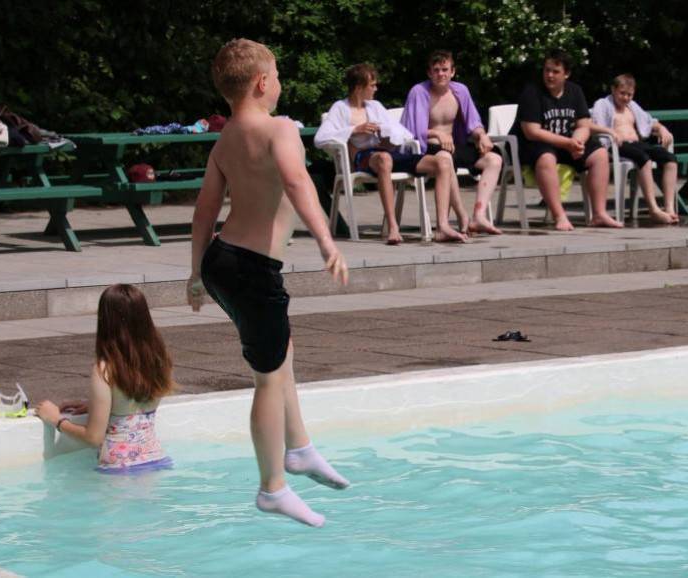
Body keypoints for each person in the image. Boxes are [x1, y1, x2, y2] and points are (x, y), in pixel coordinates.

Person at [186, 38, 351, 528]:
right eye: (276, 76)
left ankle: (299, 448)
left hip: (222, 261)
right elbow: (298, 183)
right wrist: (326, 241)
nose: (279, 84)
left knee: (281, 353)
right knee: (268, 377)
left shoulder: (224, 140)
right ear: (262, 83)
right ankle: (272, 487)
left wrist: (195, 273)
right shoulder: (280, 129)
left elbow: (205, 210)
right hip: (252, 269)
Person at [315, 63, 467, 244]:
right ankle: (393, 227)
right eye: (372, 85)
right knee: (384, 159)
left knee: (442, 163)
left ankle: (442, 226)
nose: (376, 89)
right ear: (358, 87)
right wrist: (355, 130)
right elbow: (321, 138)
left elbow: (403, 133)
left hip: (387, 154)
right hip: (362, 157)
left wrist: (385, 133)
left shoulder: (375, 106)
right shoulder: (340, 108)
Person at [35, 284, 174, 475]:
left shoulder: (105, 370)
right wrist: (96, 406)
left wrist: (56, 420)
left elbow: (94, 437)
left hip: (118, 467)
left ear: (106, 321)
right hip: (155, 461)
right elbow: (134, 406)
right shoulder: (160, 360)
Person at [511, 50, 624, 231]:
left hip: (565, 144)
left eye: (555, 71)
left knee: (600, 154)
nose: (549, 75)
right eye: (547, 70)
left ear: (566, 74)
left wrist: (577, 142)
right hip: (533, 145)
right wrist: (568, 144)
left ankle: (599, 214)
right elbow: (531, 132)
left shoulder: (574, 91)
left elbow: (584, 125)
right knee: (546, 158)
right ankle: (560, 216)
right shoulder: (532, 92)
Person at [401, 50, 503, 235]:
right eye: (436, 70)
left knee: (494, 159)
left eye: (445, 69)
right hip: (427, 148)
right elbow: (410, 130)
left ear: (452, 71)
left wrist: (482, 135)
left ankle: (479, 215)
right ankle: (462, 215)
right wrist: (437, 133)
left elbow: (474, 122)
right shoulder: (419, 92)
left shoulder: (460, 91)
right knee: (446, 159)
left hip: (455, 146)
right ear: (429, 73)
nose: (441, 74)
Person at [590, 73, 680, 225]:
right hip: (616, 146)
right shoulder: (603, 104)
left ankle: (669, 207)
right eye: (622, 93)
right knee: (643, 158)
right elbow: (595, 124)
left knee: (670, 159)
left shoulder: (632, 106)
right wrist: (610, 132)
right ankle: (653, 209)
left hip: (636, 143)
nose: (626, 98)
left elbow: (649, 121)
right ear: (613, 89)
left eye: (629, 95)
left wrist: (662, 128)